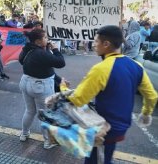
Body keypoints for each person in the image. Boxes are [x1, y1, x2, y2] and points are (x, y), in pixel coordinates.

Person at [59, 25, 158, 164]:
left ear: (106, 44)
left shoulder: (101, 69)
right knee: (105, 155)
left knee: (96, 159)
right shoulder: (136, 66)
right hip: (122, 126)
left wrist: (63, 88)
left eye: (96, 42)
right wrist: (146, 114)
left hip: (104, 129)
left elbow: (78, 99)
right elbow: (152, 96)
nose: (94, 45)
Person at [18, 28, 65, 149]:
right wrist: (55, 49)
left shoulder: (28, 49)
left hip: (26, 81)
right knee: (45, 114)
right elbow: (60, 62)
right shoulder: (40, 53)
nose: (47, 39)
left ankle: (24, 133)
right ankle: (48, 141)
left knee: (30, 111)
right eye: (45, 38)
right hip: (40, 86)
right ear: (38, 41)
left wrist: (47, 49)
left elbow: (41, 64)